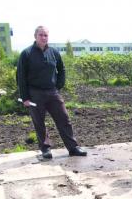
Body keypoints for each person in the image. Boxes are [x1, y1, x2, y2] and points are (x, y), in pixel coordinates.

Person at [17, 26, 86, 159]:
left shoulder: (54, 52)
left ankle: (73, 147)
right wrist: (25, 97)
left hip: (52, 92)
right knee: (39, 122)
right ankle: (45, 149)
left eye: (46, 35)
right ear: (35, 36)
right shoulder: (26, 54)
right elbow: (21, 76)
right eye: (41, 35)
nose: (43, 38)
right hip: (34, 94)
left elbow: (62, 69)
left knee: (64, 119)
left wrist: (59, 85)